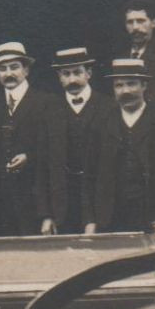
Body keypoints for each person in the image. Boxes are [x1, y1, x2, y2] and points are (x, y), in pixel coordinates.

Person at [82, 58, 155, 234]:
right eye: (119, 86)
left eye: (131, 84)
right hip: (110, 217)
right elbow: (90, 175)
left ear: (144, 85)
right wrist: (90, 220)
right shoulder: (100, 124)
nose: (125, 91)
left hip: (153, 215)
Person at [0, 42, 65, 235]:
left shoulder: (46, 102)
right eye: (2, 69)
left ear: (26, 70)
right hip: (0, 206)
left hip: (35, 203)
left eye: (14, 67)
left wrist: (30, 157)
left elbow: (55, 155)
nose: (8, 73)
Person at [49, 47, 114, 237]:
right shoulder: (51, 109)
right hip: (63, 200)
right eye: (66, 74)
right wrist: (47, 214)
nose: (72, 80)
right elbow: (44, 165)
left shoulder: (109, 106)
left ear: (89, 73)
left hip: (98, 198)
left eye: (77, 72)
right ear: (59, 77)